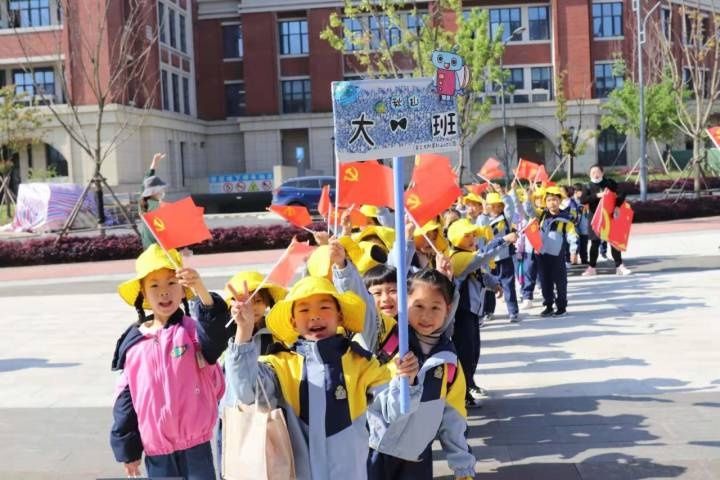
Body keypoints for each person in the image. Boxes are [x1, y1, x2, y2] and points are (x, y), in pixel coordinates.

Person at [224, 275, 421, 480]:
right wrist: (244, 332)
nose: (315, 316)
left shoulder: (362, 364)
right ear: (293, 321)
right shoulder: (280, 364)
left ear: (340, 316)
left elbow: (395, 410)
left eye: (325, 308)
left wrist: (407, 381)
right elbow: (246, 392)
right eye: (304, 310)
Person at [110, 244, 229, 479]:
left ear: (183, 290)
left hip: (196, 447)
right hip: (157, 452)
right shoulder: (134, 344)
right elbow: (125, 401)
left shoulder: (193, 331)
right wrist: (128, 450)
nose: (164, 292)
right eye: (154, 285)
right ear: (143, 293)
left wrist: (201, 290)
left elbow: (216, 338)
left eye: (172, 283)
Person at [367, 269, 476, 480]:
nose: (426, 315)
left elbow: (454, 419)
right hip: (373, 449)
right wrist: (342, 268)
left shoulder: (449, 364)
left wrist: (463, 467)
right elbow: (362, 311)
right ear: (404, 303)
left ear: (448, 309)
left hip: (417, 458)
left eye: (436, 307)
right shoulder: (387, 338)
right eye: (418, 306)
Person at [447, 218, 516, 406]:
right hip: (462, 313)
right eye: (466, 236)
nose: (472, 239)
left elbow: (480, 273)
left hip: (471, 312)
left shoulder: (465, 254)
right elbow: (481, 257)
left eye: (473, 235)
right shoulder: (457, 257)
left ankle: (468, 384)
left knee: (473, 352)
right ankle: (461, 393)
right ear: (455, 238)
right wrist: (504, 240)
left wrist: (493, 283)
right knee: (465, 353)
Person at [526, 186, 578, 317]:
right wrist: (528, 198)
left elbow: (572, 235)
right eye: (549, 200)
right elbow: (528, 210)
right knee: (545, 282)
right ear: (545, 202)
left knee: (560, 282)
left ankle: (561, 307)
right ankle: (548, 306)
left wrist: (573, 251)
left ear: (559, 201)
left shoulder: (566, 217)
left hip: (557, 255)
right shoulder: (541, 214)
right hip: (542, 254)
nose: (552, 202)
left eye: (555, 199)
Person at [477, 187, 521, 322]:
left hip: (505, 256)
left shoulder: (505, 218)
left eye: (498, 205)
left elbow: (510, 207)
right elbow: (481, 230)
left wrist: (503, 194)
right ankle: (488, 311)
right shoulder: (483, 219)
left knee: (508, 285)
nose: (495, 208)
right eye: (492, 205)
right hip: (489, 259)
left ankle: (513, 311)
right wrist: (484, 212)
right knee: (489, 286)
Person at [579, 165, 632, 276]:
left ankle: (619, 266)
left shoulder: (609, 183)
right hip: (595, 218)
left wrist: (617, 205)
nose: (595, 174)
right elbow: (583, 200)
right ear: (589, 174)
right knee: (595, 243)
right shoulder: (587, 186)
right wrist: (598, 195)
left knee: (614, 242)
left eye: (597, 172)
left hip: (609, 217)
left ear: (602, 173)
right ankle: (592, 268)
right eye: (592, 172)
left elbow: (622, 192)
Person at [139, 153, 168, 249]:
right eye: (161, 188)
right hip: (158, 246)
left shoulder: (142, 199)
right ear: (154, 191)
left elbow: (147, 178)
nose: (163, 191)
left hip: (147, 245)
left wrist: (155, 162)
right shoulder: (158, 206)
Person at [571, 183, 590, 265]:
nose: (583, 193)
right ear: (575, 192)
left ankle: (584, 259)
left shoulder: (585, 200)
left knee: (584, 243)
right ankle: (573, 259)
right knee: (575, 243)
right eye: (581, 191)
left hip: (584, 226)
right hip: (574, 226)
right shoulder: (571, 201)